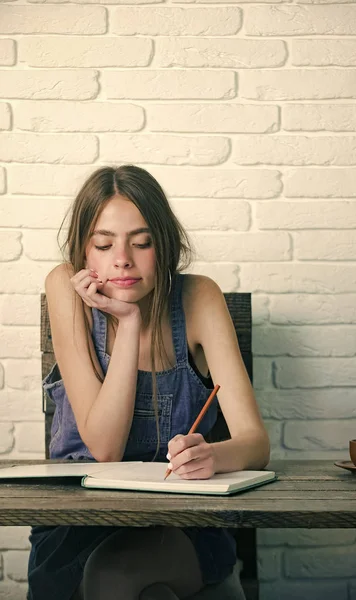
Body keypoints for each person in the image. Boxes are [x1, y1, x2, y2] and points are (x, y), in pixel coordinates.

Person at [27, 165, 270, 600]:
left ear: (165, 246)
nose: (122, 258)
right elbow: (105, 448)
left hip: (178, 522)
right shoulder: (65, 288)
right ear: (84, 251)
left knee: (119, 576)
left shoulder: (199, 298)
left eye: (141, 243)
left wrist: (211, 455)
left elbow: (255, 443)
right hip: (79, 525)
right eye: (104, 244)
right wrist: (129, 318)